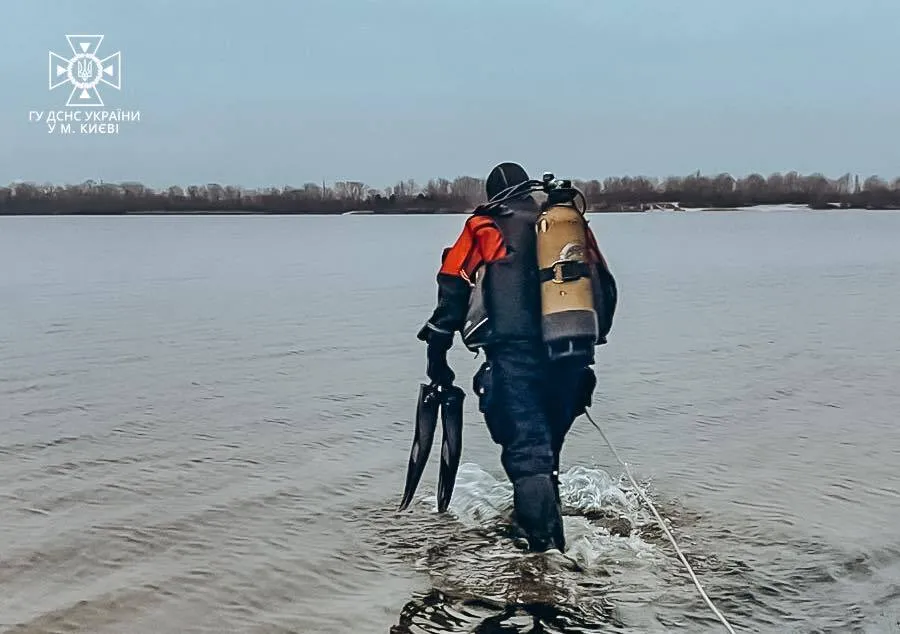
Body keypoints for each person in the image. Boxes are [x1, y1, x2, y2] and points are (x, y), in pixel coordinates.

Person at [416, 162, 617, 552]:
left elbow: (452, 286)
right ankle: (546, 528)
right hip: (571, 356)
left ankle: (543, 558)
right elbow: (605, 288)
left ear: (493, 195)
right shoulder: (564, 226)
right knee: (546, 452)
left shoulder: (483, 227)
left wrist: (436, 354)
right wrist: (585, 349)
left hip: (514, 358)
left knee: (528, 455)